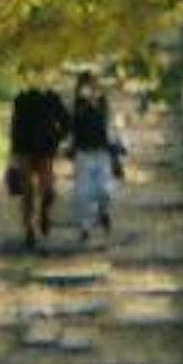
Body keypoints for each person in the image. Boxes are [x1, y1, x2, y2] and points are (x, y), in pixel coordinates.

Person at [4, 79, 69, 248]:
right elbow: (15, 126)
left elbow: (15, 126)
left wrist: (56, 137)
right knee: (33, 190)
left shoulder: (39, 98)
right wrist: (57, 138)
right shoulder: (30, 98)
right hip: (31, 149)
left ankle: (39, 218)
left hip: (34, 150)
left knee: (40, 190)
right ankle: (31, 227)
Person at [64, 70, 125, 239]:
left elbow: (110, 125)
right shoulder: (76, 105)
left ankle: (103, 212)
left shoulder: (103, 104)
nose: (89, 90)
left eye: (91, 86)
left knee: (105, 191)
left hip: (102, 153)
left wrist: (118, 144)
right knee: (82, 193)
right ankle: (85, 227)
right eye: (85, 86)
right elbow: (71, 128)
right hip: (83, 154)